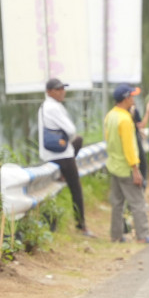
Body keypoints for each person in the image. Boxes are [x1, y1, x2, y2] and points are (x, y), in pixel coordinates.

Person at [38, 77, 92, 234]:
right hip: (62, 155)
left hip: (48, 154)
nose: (62, 92)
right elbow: (71, 130)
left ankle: (52, 225)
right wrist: (66, 141)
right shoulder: (54, 107)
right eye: (58, 89)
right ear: (49, 92)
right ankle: (81, 226)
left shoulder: (43, 107)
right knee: (76, 189)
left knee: (51, 192)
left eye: (63, 88)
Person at [104, 83, 149, 242]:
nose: (133, 99)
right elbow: (129, 146)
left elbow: (109, 140)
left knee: (117, 203)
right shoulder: (125, 119)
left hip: (114, 165)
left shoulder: (110, 115)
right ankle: (143, 235)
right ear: (125, 99)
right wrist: (135, 169)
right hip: (126, 168)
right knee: (137, 202)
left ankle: (116, 235)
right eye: (131, 96)